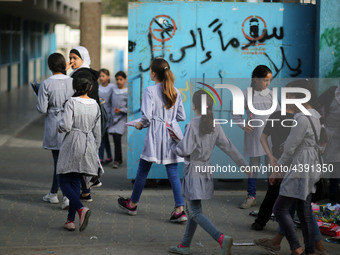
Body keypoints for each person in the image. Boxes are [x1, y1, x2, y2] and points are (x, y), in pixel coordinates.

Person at [168, 90, 249, 255]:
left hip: (193, 171)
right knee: (193, 209)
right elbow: (228, 146)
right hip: (205, 169)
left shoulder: (192, 124)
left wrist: (173, 143)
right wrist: (244, 165)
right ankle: (184, 245)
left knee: (195, 211)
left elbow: (185, 150)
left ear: (194, 105)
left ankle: (221, 238)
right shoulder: (214, 124)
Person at [254, 81, 328, 255]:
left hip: (300, 166)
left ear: (298, 97)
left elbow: (289, 150)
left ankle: (296, 248)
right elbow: (319, 142)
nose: (286, 100)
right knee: (304, 211)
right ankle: (310, 250)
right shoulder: (315, 115)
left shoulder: (301, 118)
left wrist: (277, 170)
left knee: (280, 208)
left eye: (288, 96)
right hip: (312, 165)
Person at [117, 58, 187, 222]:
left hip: (155, 134)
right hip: (171, 133)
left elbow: (146, 117)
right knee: (173, 172)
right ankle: (180, 210)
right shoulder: (175, 91)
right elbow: (181, 116)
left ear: (153, 73)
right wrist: (168, 117)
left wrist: (140, 124)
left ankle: (132, 204)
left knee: (143, 170)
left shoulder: (150, 90)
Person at [57, 77, 102, 231]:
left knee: (63, 178)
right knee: (76, 180)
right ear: (90, 88)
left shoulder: (71, 102)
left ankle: (80, 208)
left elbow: (67, 125)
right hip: (88, 142)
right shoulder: (95, 104)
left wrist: (60, 126)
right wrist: (95, 149)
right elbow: (98, 130)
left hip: (72, 142)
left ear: (74, 87)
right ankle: (70, 220)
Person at [233, 65, 280, 209]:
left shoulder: (272, 94)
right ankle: (251, 196)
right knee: (254, 166)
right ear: (255, 79)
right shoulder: (246, 94)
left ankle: (271, 198)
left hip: (270, 136)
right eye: (265, 80)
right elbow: (236, 115)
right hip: (254, 135)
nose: (267, 83)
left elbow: (278, 114)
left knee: (270, 167)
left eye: (269, 80)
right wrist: (243, 125)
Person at [37, 53, 74, 210]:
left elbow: (42, 108)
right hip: (69, 122)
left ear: (50, 66)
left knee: (58, 162)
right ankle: (54, 193)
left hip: (54, 123)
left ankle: (64, 195)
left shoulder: (46, 84)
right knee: (65, 161)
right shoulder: (72, 81)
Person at [251, 101, 295, 231]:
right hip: (285, 160)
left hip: (285, 159)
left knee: (278, 192)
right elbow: (263, 137)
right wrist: (270, 156)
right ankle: (267, 222)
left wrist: (271, 156)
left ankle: (263, 222)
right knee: (280, 191)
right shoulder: (290, 118)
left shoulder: (293, 116)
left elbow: (263, 138)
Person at [67, 46, 101, 200]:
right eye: (70, 58)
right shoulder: (87, 72)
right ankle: (86, 190)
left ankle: (85, 185)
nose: (71, 61)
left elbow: (72, 96)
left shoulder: (81, 75)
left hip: (82, 122)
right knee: (83, 155)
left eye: (75, 58)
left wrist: (64, 75)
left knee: (77, 157)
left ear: (83, 58)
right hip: (91, 118)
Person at [319, 85, 340, 205]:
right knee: (325, 166)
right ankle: (328, 195)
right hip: (326, 133)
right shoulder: (332, 91)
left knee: (336, 168)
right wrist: (321, 126)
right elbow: (317, 104)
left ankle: (333, 197)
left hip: (338, 137)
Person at [108, 71, 128, 169]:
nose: (119, 82)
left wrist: (121, 110)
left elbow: (130, 107)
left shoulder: (127, 92)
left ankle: (117, 160)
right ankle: (116, 158)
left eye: (121, 79)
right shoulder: (114, 90)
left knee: (117, 137)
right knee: (114, 138)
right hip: (113, 117)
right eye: (117, 79)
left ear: (125, 80)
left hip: (122, 118)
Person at [98, 68, 114, 164]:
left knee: (104, 136)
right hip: (100, 114)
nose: (101, 78)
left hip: (109, 114)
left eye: (103, 76)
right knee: (103, 136)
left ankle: (103, 156)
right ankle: (106, 156)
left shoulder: (112, 87)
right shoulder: (97, 87)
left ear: (108, 77)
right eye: (100, 76)